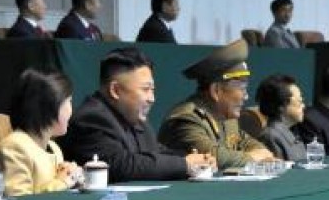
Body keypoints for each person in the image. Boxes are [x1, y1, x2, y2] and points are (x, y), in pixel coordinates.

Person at [61, 47, 214, 180]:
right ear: (115, 90)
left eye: (152, 90)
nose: (152, 99)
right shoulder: (91, 118)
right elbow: (121, 165)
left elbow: (156, 152)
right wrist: (185, 164)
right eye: (145, 89)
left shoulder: (135, 119)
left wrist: (197, 159)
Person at [158, 39, 273, 168]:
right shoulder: (186, 119)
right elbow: (213, 157)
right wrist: (254, 157)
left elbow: (247, 142)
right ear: (216, 90)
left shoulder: (226, 117)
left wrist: (261, 153)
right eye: (241, 88)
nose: (246, 96)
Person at [0, 69, 81, 195]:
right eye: (69, 102)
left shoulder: (54, 147)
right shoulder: (15, 146)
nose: (71, 109)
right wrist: (63, 182)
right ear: (49, 106)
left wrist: (74, 179)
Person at [255, 74, 307, 161]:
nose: (303, 106)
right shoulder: (271, 137)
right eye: (300, 101)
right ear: (281, 105)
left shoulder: (289, 133)